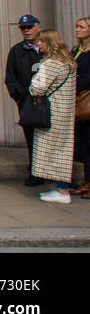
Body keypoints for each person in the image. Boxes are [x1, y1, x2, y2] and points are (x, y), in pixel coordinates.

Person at [30, 26, 77, 204]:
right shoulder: (69, 63)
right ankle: (60, 188)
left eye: (42, 41)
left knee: (54, 152)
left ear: (50, 43)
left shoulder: (49, 64)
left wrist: (34, 79)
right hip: (65, 112)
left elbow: (37, 88)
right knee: (63, 151)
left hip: (52, 113)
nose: (39, 44)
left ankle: (62, 191)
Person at [5, 14, 44, 187]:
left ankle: (59, 174)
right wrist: (21, 98)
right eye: (23, 28)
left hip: (49, 101)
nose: (26, 31)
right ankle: (35, 172)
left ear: (38, 27)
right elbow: (10, 78)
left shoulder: (47, 49)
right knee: (32, 136)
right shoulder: (17, 51)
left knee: (51, 137)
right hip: (28, 101)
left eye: (29, 27)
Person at [74, 18, 90, 198]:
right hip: (78, 102)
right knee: (84, 145)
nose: (77, 30)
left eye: (81, 27)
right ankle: (86, 183)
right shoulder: (77, 50)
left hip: (86, 99)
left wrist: (73, 85)